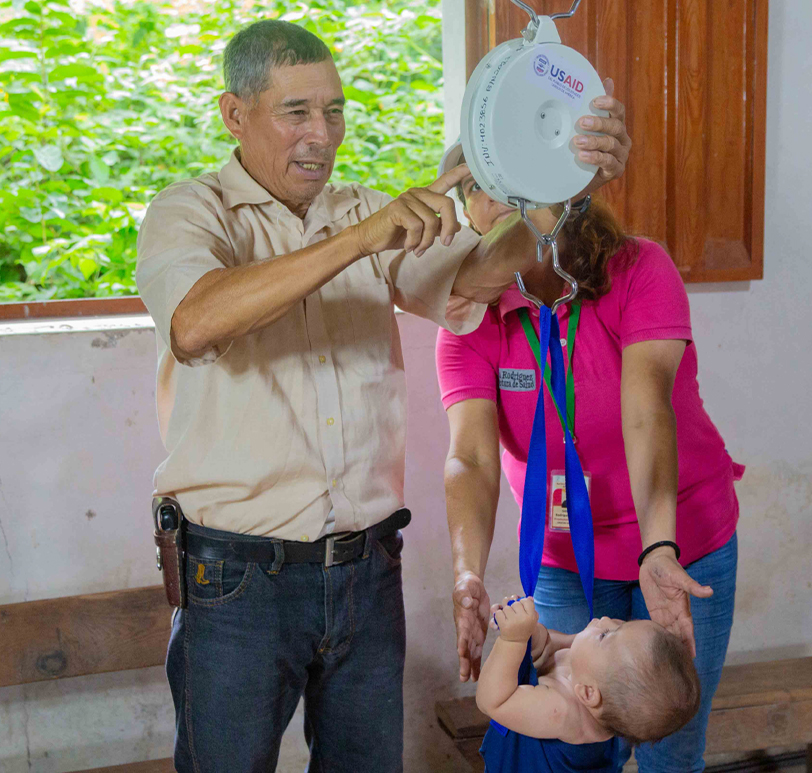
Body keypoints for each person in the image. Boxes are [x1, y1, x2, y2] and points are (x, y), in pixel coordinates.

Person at [134, 19, 630, 772]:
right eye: (296, 111)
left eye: (334, 111)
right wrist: (361, 239)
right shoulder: (189, 211)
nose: (322, 134)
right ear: (235, 114)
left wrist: (570, 187)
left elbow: (472, 280)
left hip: (366, 572)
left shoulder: (361, 208)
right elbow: (197, 322)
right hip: (234, 581)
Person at [436, 147, 743, 771]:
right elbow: (470, 456)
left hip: (681, 539)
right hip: (564, 554)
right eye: (473, 190)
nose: (489, 205)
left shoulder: (639, 268)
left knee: (669, 744)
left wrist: (659, 549)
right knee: (565, 740)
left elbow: (647, 410)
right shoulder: (469, 318)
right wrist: (467, 573)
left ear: (555, 193)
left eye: (503, 186)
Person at [476, 595, 700, 772]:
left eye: (605, 635)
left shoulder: (560, 712)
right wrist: (528, 631)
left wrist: (512, 640)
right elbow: (547, 646)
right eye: (622, 625)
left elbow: (493, 702)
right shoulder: (594, 676)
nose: (606, 620)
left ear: (588, 694)